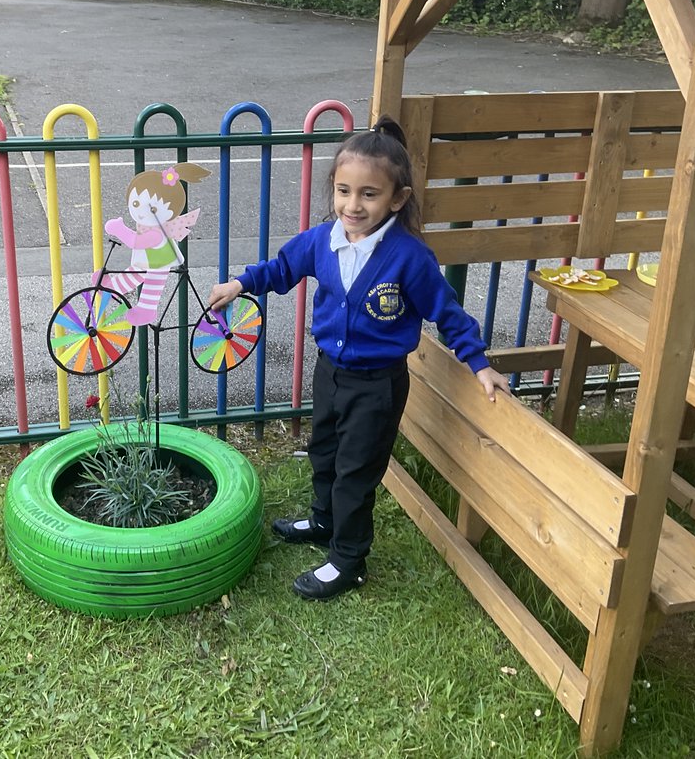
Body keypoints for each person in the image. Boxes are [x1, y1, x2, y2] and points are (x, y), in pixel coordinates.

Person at [208, 116, 510, 601]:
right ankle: (324, 520)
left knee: (356, 471)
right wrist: (241, 284)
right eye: (344, 191)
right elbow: (283, 267)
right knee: (324, 451)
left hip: (378, 385)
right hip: (329, 373)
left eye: (369, 194)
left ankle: (348, 560)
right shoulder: (321, 240)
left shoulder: (409, 259)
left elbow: (446, 312)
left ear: (397, 199)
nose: (353, 205)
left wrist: (478, 362)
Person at [98, 162, 211, 325]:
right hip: (149, 261)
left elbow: (135, 242)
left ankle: (146, 310)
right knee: (135, 272)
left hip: (160, 262)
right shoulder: (147, 226)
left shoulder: (157, 232)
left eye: (153, 209)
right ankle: (112, 289)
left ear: (170, 211)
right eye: (135, 203)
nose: (141, 212)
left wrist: (118, 229)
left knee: (151, 286)